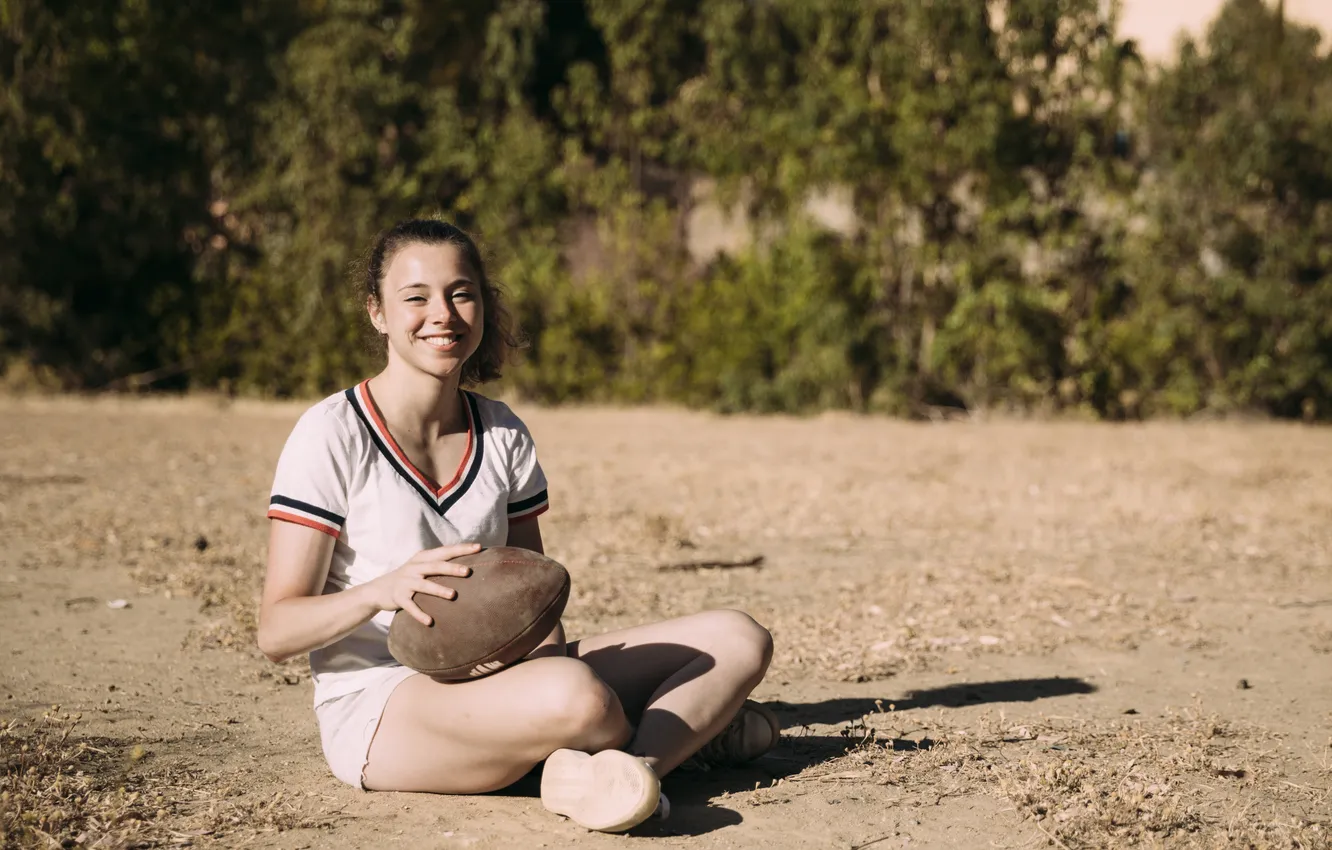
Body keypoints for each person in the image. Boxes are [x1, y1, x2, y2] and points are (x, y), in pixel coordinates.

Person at [257, 219, 778, 833]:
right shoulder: (331, 432)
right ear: (378, 313)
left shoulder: (503, 433)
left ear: (483, 303)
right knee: (579, 698)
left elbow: (533, 603)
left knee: (738, 638)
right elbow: (276, 630)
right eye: (415, 297)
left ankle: (627, 773)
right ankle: (681, 737)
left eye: (461, 292)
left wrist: (541, 657)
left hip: (510, 681)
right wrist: (383, 589)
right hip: (381, 703)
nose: (442, 314)